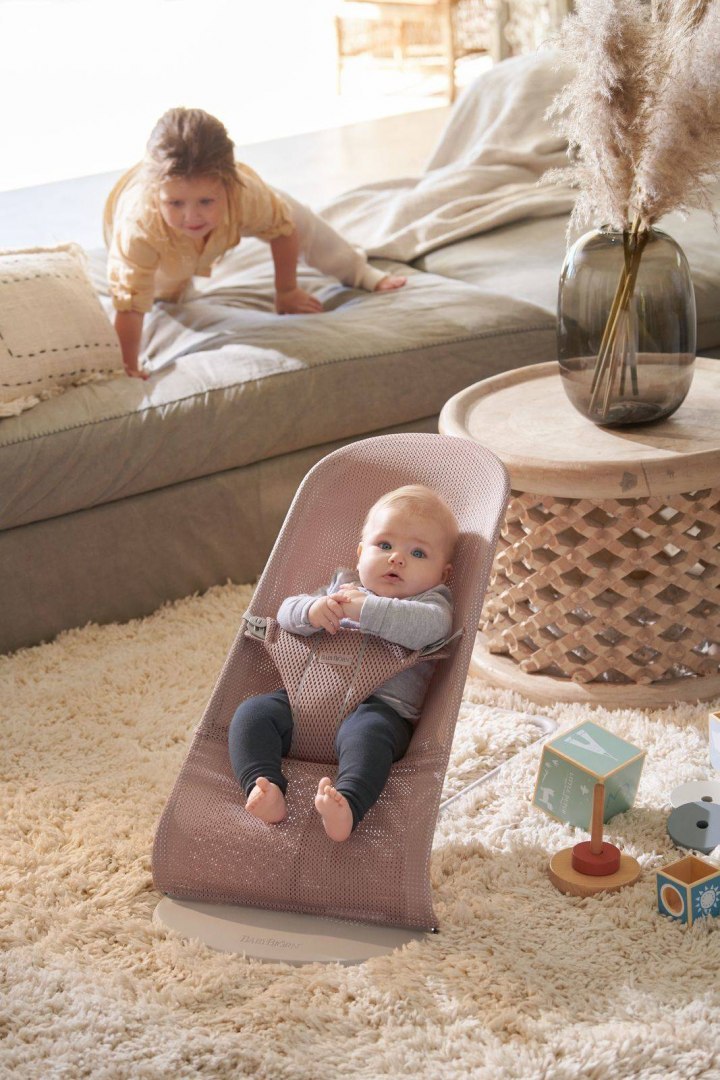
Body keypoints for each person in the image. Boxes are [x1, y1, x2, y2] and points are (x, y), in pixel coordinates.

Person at [228, 484, 458, 842]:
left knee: (369, 739)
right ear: (361, 553)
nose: (397, 558)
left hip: (378, 711)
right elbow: (286, 612)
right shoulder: (341, 585)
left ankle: (348, 804)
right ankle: (264, 787)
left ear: (442, 574)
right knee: (252, 715)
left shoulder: (431, 603)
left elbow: (432, 628)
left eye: (417, 552)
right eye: (385, 545)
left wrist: (365, 610)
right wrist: (312, 610)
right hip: (304, 701)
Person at [103, 107, 406, 378]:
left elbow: (283, 231)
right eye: (176, 203)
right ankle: (172, 289)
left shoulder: (245, 193)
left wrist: (286, 290)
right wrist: (128, 366)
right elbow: (130, 303)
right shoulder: (139, 229)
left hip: (229, 205)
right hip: (160, 251)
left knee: (288, 212)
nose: (191, 217)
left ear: (229, 184)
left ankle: (358, 271)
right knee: (162, 296)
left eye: (206, 201)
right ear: (156, 192)